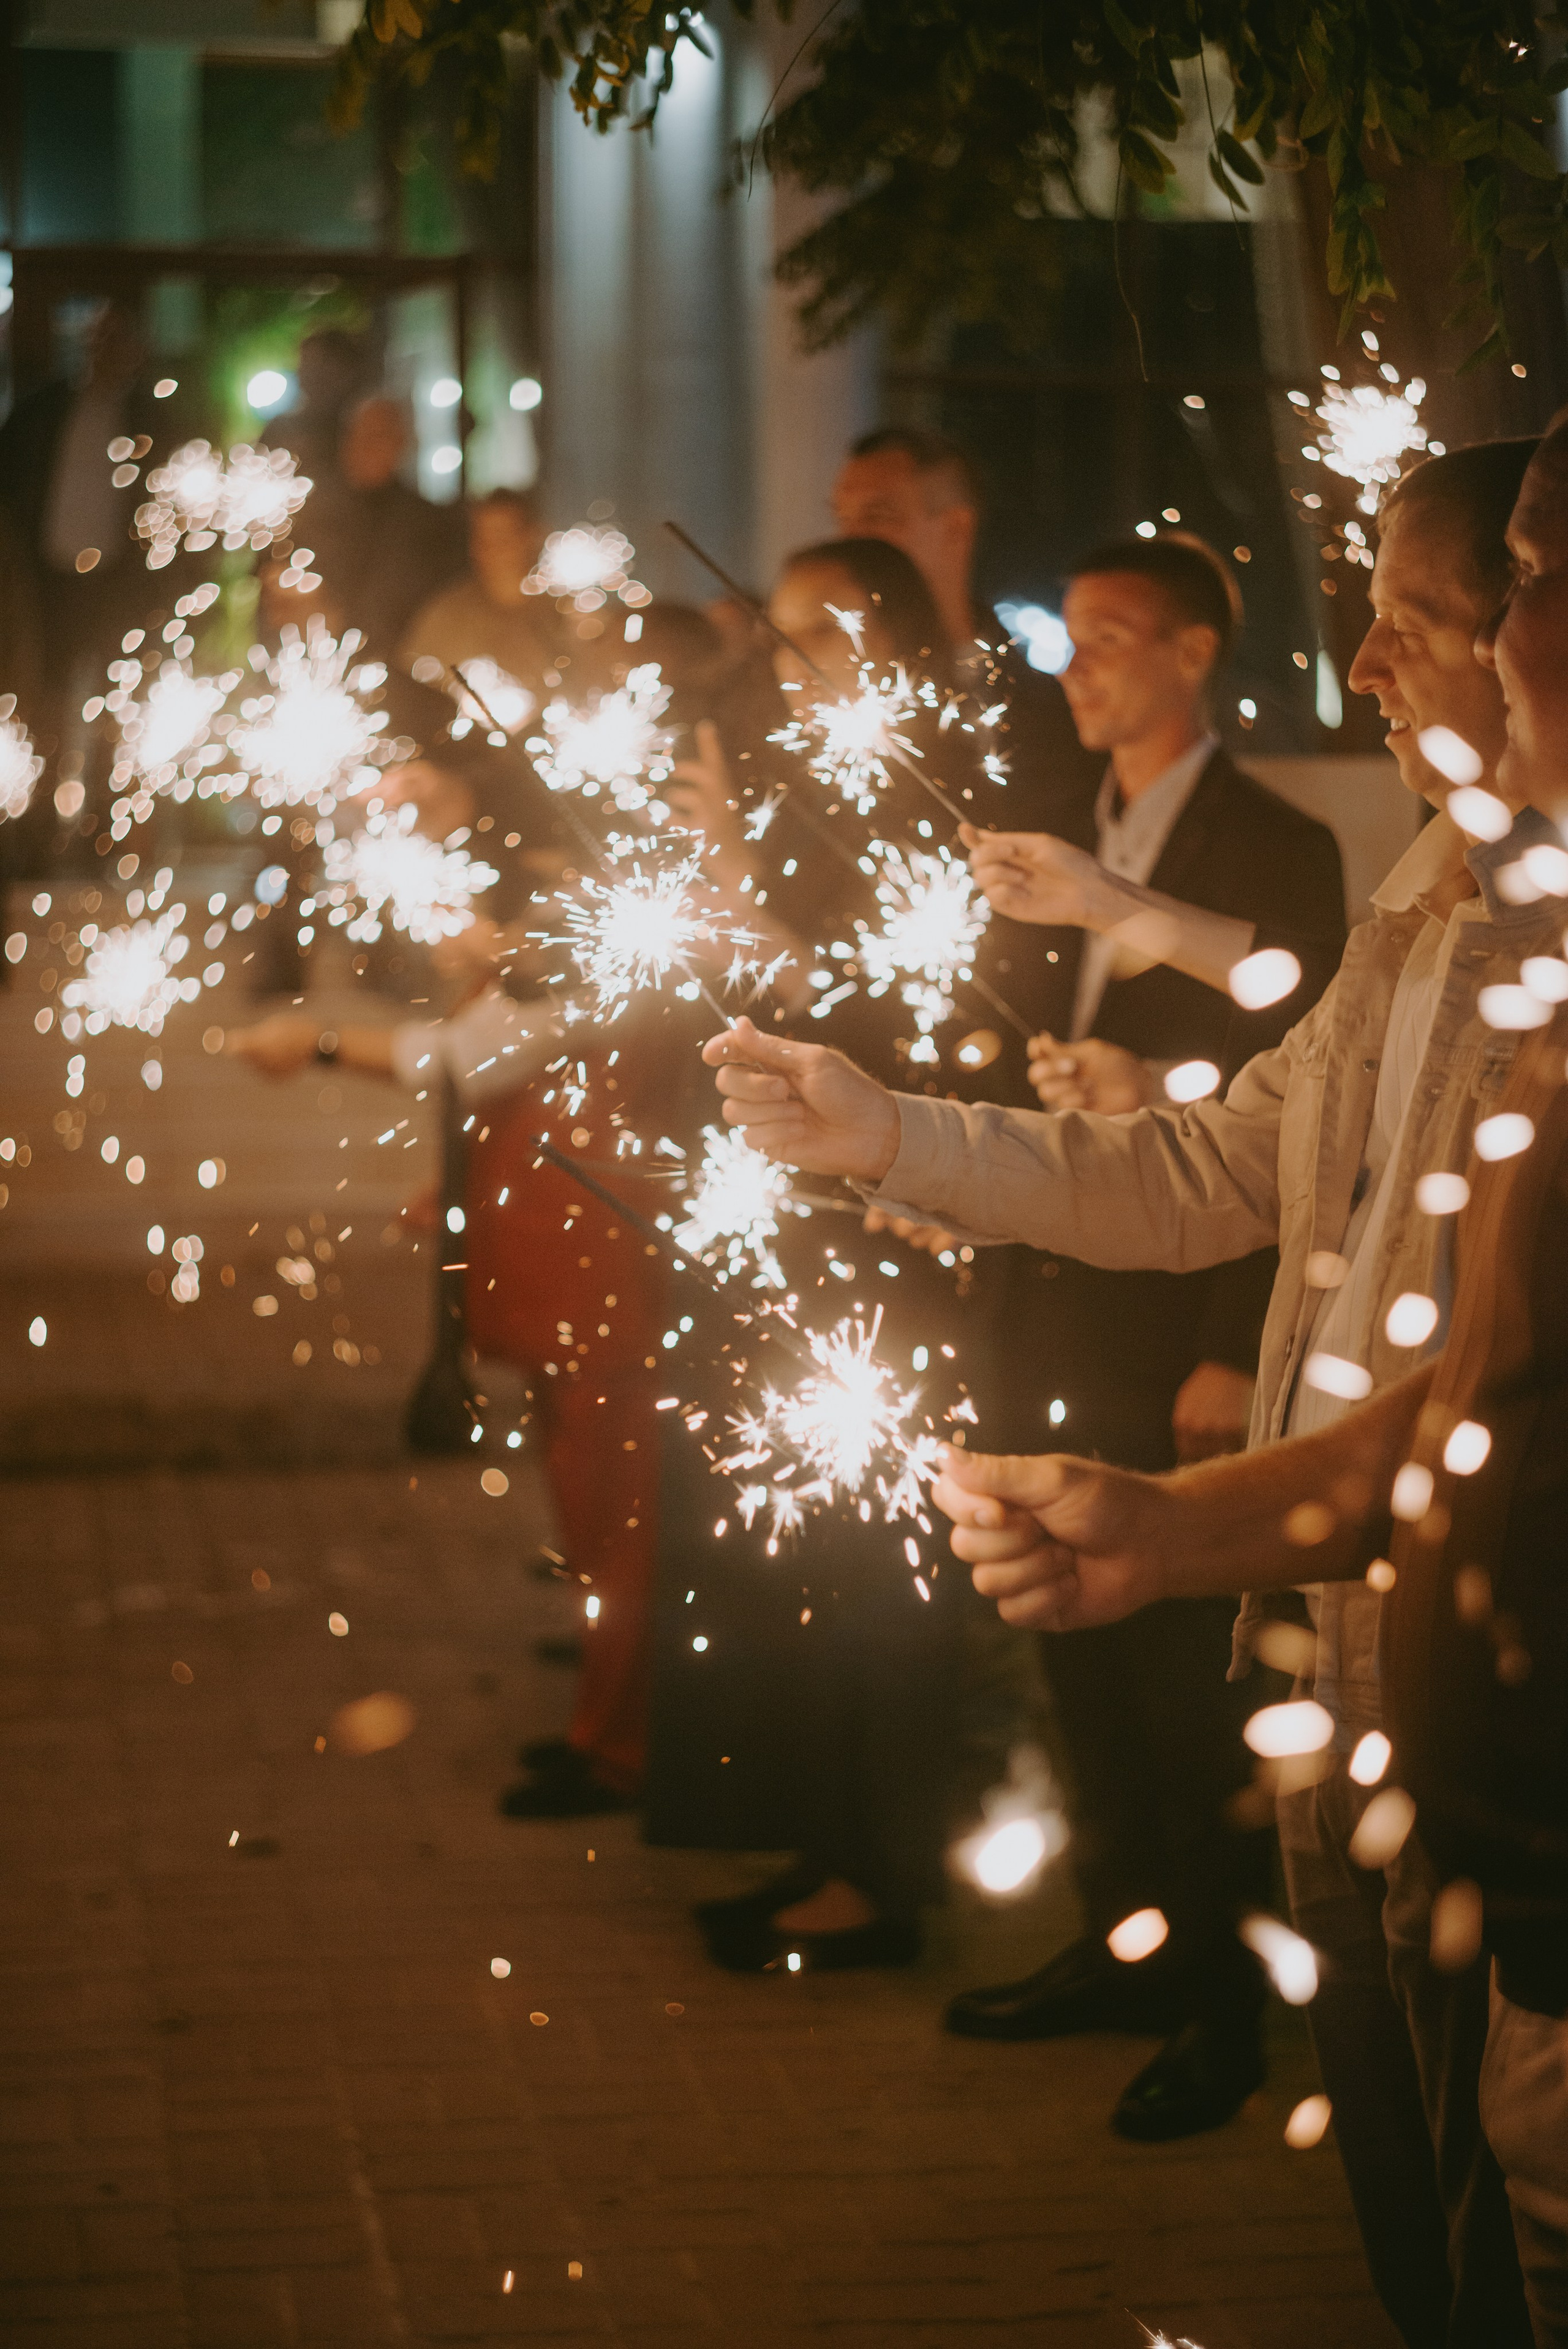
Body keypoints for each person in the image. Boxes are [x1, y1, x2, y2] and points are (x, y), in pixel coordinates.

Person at [702, 443, 1551, 2343]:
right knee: (1410, 2185)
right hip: (1327, 1656)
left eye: (1416, 625)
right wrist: (889, 1132)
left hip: (1486, 1685)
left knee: (1520, 2184)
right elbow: (1207, 1177)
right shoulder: (1414, 911)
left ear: (1535, 639)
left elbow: (1490, 1411)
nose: (1366, 673)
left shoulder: (1539, 945)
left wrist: (1182, 1524)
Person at [899, 532, 1344, 2147]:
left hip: (1180, 1313)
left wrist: (1234, 1341)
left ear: (1195, 654)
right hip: (1042, 1289)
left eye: (1114, 637)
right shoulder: (1048, 838)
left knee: (1178, 1664)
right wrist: (966, 1158)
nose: (1080, 667)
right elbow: (1023, 1052)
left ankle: (1226, 1996)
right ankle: (1125, 1929)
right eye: (1070, 638)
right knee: (1064, 1635)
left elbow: (1299, 1092)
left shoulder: (1276, 843)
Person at [831, 424, 1098, 835]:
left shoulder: (1050, 709)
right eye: (842, 518)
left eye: (878, 516)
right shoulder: (830, 689)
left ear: (956, 527)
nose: (850, 541)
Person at [308, 395, 466, 662]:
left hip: (402, 668)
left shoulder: (428, 525)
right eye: (361, 432)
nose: (369, 444)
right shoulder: (312, 515)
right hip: (317, 665)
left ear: (401, 443)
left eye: (381, 435)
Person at [399, 487, 561, 703]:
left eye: (502, 537)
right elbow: (410, 690)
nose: (490, 549)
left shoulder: (563, 614)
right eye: (481, 537)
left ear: (530, 537)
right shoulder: (447, 615)